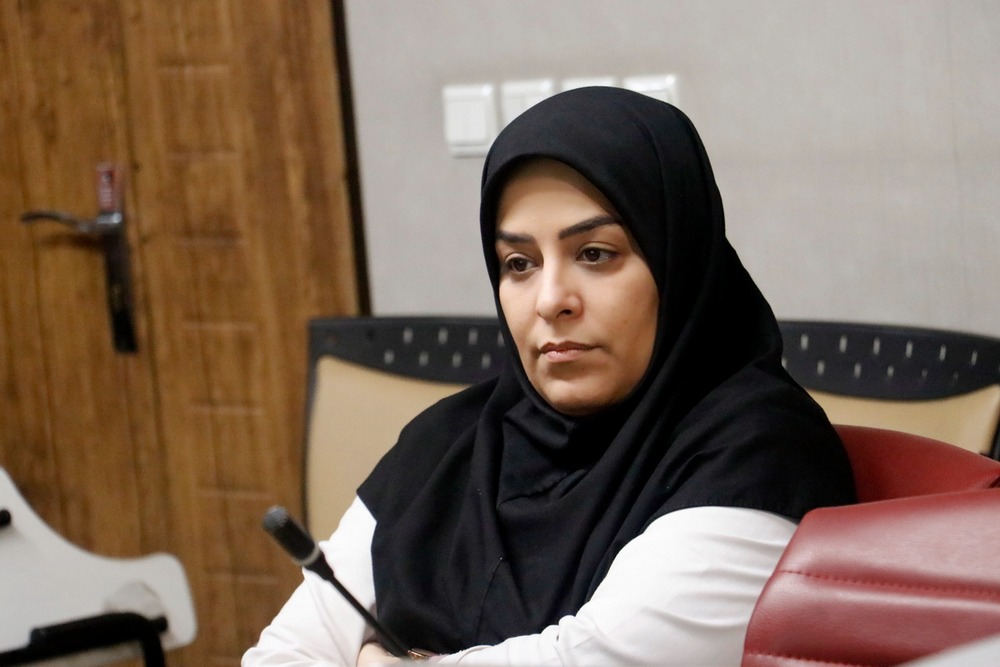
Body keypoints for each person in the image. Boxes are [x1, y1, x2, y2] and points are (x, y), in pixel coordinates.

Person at [243, 86, 856, 666]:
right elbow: (282, 654)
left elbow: (595, 659)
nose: (550, 299)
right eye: (519, 263)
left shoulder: (759, 450)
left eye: (595, 254)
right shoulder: (447, 443)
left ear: (677, 259)